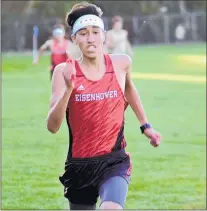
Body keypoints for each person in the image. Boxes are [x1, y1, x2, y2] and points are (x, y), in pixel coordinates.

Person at [46, 2, 162, 210]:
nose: (90, 38)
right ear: (73, 39)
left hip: (114, 161)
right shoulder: (63, 71)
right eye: (82, 33)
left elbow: (128, 89)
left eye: (95, 32)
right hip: (79, 165)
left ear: (104, 35)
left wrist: (146, 126)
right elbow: (52, 127)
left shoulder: (121, 63)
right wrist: (68, 89)